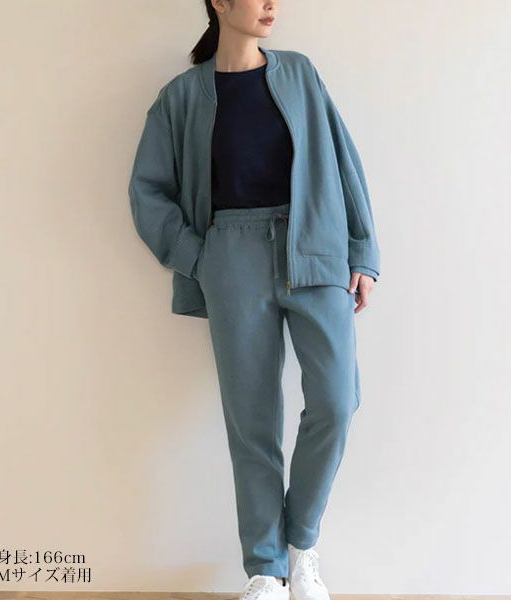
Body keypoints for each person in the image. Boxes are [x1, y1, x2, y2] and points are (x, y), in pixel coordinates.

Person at [128, 1, 381, 598]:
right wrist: (199, 259)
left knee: (337, 401)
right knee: (252, 421)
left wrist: (362, 250)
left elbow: (343, 161)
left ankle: (301, 544)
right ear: (219, 2)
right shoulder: (181, 97)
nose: (271, 3)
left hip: (314, 246)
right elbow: (148, 191)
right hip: (231, 254)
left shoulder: (300, 73)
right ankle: (266, 570)